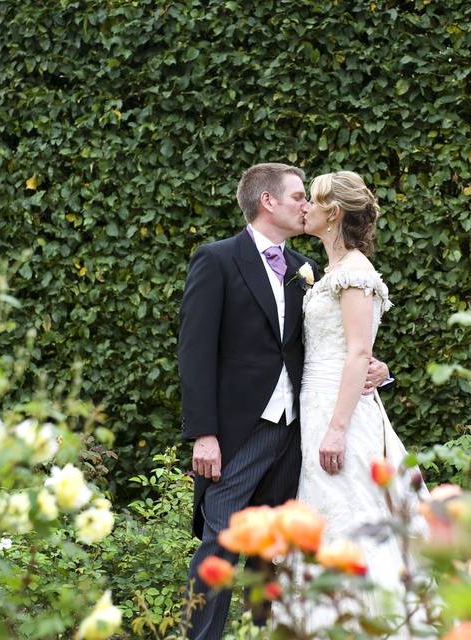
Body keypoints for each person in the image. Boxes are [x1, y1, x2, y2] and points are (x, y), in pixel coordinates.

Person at [178, 163, 390, 640]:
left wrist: (379, 369)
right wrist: (204, 434)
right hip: (238, 433)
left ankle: (265, 632)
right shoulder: (217, 259)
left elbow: (333, 345)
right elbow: (194, 352)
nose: (305, 205)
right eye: (297, 196)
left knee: (277, 550)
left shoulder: (306, 270)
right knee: (220, 542)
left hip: (299, 430)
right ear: (267, 202)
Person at [294, 170, 428, 635]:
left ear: (333, 213)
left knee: (355, 516)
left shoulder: (355, 272)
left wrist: (337, 429)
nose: (304, 208)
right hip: (315, 406)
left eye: (312, 201)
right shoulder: (332, 271)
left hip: (340, 413)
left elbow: (357, 351)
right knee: (326, 516)